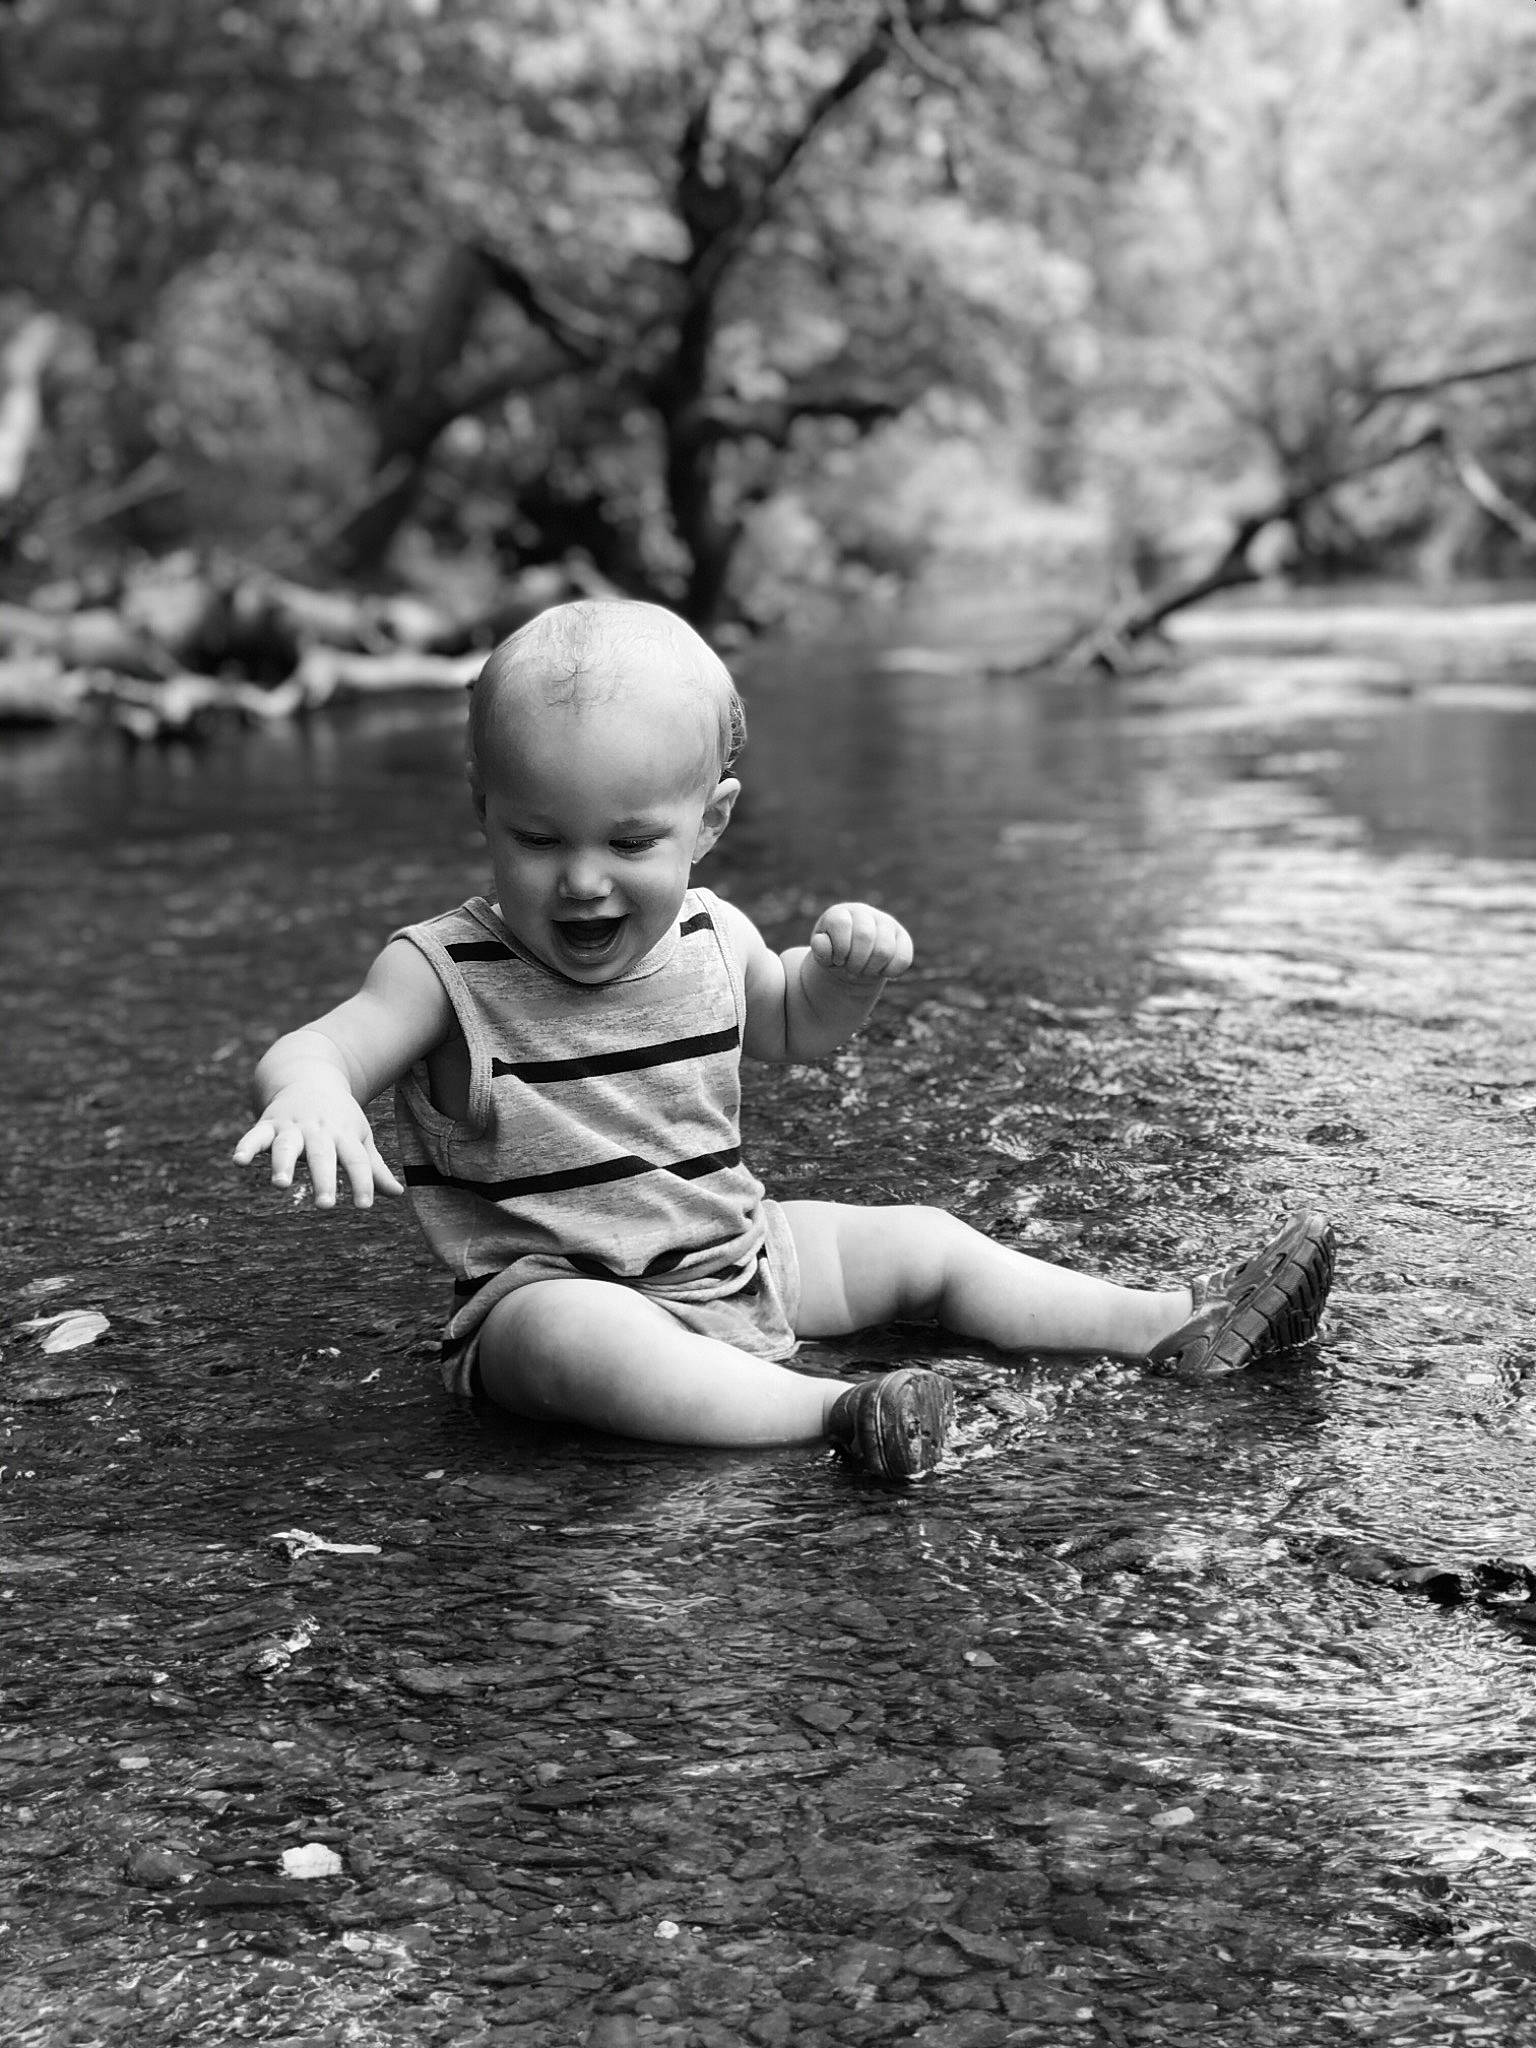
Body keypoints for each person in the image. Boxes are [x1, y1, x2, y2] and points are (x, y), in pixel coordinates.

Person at [233, 599, 1335, 1480]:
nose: (580, 878)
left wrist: (839, 980)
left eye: (629, 839)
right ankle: (840, 1413)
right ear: (484, 809)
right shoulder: (441, 970)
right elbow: (318, 1047)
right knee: (573, 1341)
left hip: (740, 1252)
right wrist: (315, 1091)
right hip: (549, 1296)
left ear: (708, 822)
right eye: (536, 837)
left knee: (924, 1240)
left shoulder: (716, 935)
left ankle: (1164, 1323)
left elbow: (794, 1027)